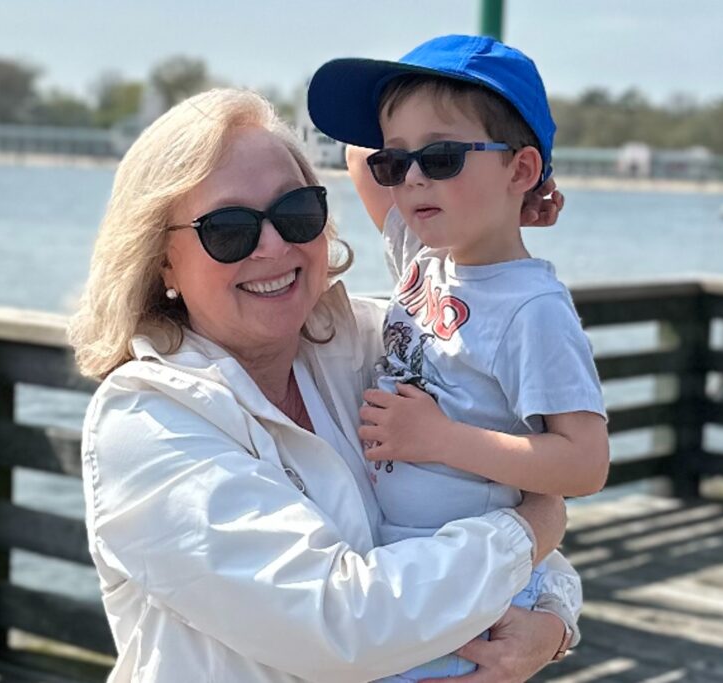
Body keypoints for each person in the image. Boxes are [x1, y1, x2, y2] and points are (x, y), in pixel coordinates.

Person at [69, 87, 582, 683]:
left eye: (296, 213)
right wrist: (531, 529)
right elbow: (341, 627)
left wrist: (551, 622)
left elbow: (481, 515)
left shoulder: (379, 344)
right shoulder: (147, 420)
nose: (274, 244)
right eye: (228, 229)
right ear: (161, 260)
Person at [307, 35, 610, 682]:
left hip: (474, 582)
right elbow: (361, 152)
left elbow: (585, 462)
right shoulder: (424, 257)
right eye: (401, 163)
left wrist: (440, 439)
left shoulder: (533, 310)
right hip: (398, 564)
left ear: (519, 168)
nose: (412, 177)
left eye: (441, 156)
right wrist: (514, 189)